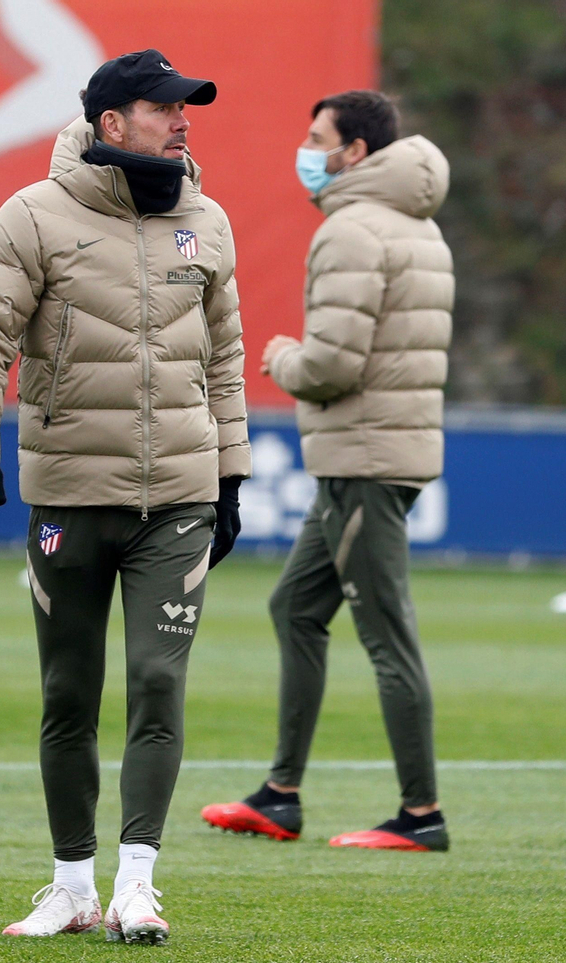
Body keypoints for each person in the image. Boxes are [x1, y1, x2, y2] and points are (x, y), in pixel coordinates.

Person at [0, 49, 250, 943]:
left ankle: (138, 884)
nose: (184, 120)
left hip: (180, 499)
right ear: (113, 124)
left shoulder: (210, 221)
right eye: (166, 108)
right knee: (69, 692)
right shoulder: (33, 215)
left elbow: (224, 356)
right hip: (70, 494)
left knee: (158, 681)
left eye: (187, 107)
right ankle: (71, 886)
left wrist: (230, 474)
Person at [199, 91, 454, 852]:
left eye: (317, 138)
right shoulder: (419, 224)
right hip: (381, 452)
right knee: (295, 608)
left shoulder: (350, 229)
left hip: (362, 458)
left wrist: (279, 357)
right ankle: (280, 795)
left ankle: (420, 815)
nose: (305, 151)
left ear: (354, 152)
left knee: (387, 635)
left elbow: (333, 365)